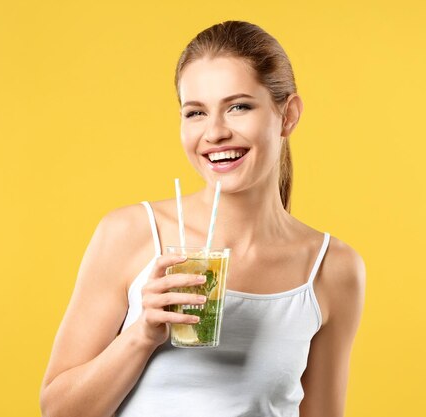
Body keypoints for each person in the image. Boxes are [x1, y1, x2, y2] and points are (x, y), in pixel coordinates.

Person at [40, 20, 366, 417]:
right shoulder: (131, 234)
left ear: (288, 115)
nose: (214, 133)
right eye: (195, 112)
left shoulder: (333, 268)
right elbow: (58, 410)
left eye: (238, 107)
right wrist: (142, 335)